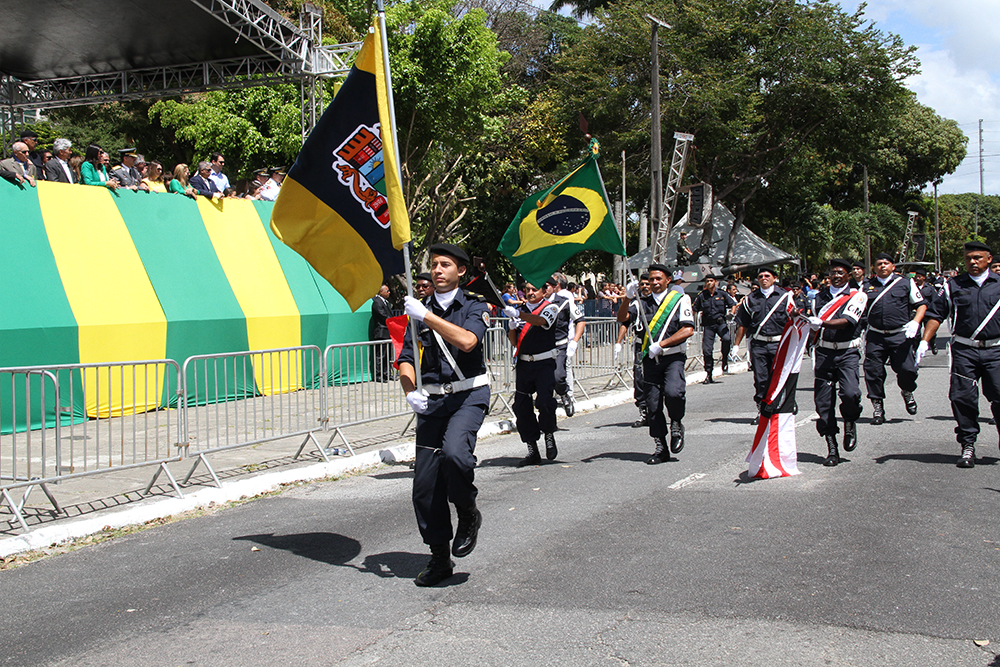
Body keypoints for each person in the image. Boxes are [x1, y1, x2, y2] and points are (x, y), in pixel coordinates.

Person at [398, 243, 489, 587]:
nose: (437, 270)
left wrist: (426, 316)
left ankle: (468, 512)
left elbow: (467, 341)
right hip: (433, 402)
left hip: (468, 395)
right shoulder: (419, 310)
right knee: (425, 486)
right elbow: (407, 357)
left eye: (445, 265)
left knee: (455, 455)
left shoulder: (474, 305)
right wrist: (410, 391)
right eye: (434, 264)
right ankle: (439, 557)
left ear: (460, 271)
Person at [919, 241, 1000, 468]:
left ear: (989, 259)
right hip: (965, 350)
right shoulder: (953, 285)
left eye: (977, 257)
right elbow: (936, 314)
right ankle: (968, 444)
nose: (972, 262)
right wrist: (924, 341)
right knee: (962, 398)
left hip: (996, 350)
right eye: (968, 258)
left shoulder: (998, 284)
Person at [808, 258, 868, 466]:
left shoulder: (857, 296)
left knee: (851, 394)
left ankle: (850, 420)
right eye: (833, 272)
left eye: (840, 273)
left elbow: (847, 322)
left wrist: (822, 322)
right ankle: (832, 448)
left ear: (848, 276)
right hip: (824, 352)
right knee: (823, 403)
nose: (836, 276)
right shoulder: (818, 297)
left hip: (847, 352)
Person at [638, 263, 695, 464]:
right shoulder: (642, 303)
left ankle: (676, 422)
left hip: (673, 357)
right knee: (653, 405)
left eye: (658, 279)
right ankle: (660, 446)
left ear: (668, 280)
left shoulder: (680, 300)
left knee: (674, 393)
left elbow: (687, 329)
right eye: (651, 279)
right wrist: (627, 297)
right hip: (650, 360)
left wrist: (661, 344)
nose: (654, 283)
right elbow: (622, 319)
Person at [862, 253, 926, 425]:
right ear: (874, 268)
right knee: (873, 372)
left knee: (907, 370)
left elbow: (921, 305)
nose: (882, 266)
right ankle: (878, 407)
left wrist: (915, 322)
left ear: (893, 266)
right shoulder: (867, 286)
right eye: (879, 264)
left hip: (900, 335)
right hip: (876, 335)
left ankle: (907, 390)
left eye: (886, 263)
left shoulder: (905, 283)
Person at [504, 281, 561, 466]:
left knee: (545, 402)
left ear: (543, 292)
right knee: (521, 407)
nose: (530, 293)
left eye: (534, 289)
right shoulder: (519, 310)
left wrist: (519, 315)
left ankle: (549, 433)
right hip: (524, 364)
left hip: (544, 363)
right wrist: (512, 326)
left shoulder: (551, 307)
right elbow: (514, 342)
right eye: (527, 290)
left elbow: (541, 321)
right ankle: (532, 448)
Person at [733, 266, 794, 423]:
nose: (763, 279)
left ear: (774, 278)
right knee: (761, 379)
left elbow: (793, 320)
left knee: (779, 377)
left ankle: (781, 406)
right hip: (759, 344)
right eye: (760, 276)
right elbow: (743, 324)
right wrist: (736, 345)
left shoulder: (785, 297)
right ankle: (763, 410)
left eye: (767, 276)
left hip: (779, 343)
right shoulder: (750, 299)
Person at [545, 273, 585, 417]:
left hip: (559, 346)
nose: (543, 289)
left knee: (558, 376)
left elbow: (580, 320)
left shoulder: (564, 302)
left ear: (554, 287)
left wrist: (574, 341)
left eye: (546, 286)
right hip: (542, 347)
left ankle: (565, 394)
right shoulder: (537, 304)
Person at [616, 273, 651, 427]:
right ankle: (644, 412)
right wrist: (618, 342)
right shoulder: (637, 304)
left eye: (647, 284)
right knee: (639, 379)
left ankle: (657, 411)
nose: (645, 287)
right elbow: (624, 320)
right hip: (641, 347)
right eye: (642, 284)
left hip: (659, 346)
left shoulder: (662, 302)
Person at [692, 275, 738, 383]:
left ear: (715, 282)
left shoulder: (722, 294)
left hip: (721, 323)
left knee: (727, 339)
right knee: (707, 350)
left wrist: (731, 314)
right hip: (708, 325)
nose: (709, 283)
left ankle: (725, 359)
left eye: (711, 281)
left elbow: (733, 304)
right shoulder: (702, 296)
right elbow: (694, 309)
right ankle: (709, 373)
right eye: (707, 281)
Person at [368, 284, 392, 382]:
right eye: (387, 291)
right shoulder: (377, 302)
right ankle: (379, 375)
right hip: (381, 332)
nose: (389, 293)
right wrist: (393, 321)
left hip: (388, 332)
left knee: (387, 355)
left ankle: (386, 374)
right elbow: (383, 315)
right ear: (381, 292)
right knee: (380, 355)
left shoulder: (386, 302)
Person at [912, 267, 939, 354]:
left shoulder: (930, 288)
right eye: (916, 276)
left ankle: (932, 344)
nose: (917, 278)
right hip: (916, 313)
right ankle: (915, 349)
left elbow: (935, 300)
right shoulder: (913, 288)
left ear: (924, 277)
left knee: (931, 331)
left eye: (919, 276)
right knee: (916, 333)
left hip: (927, 313)